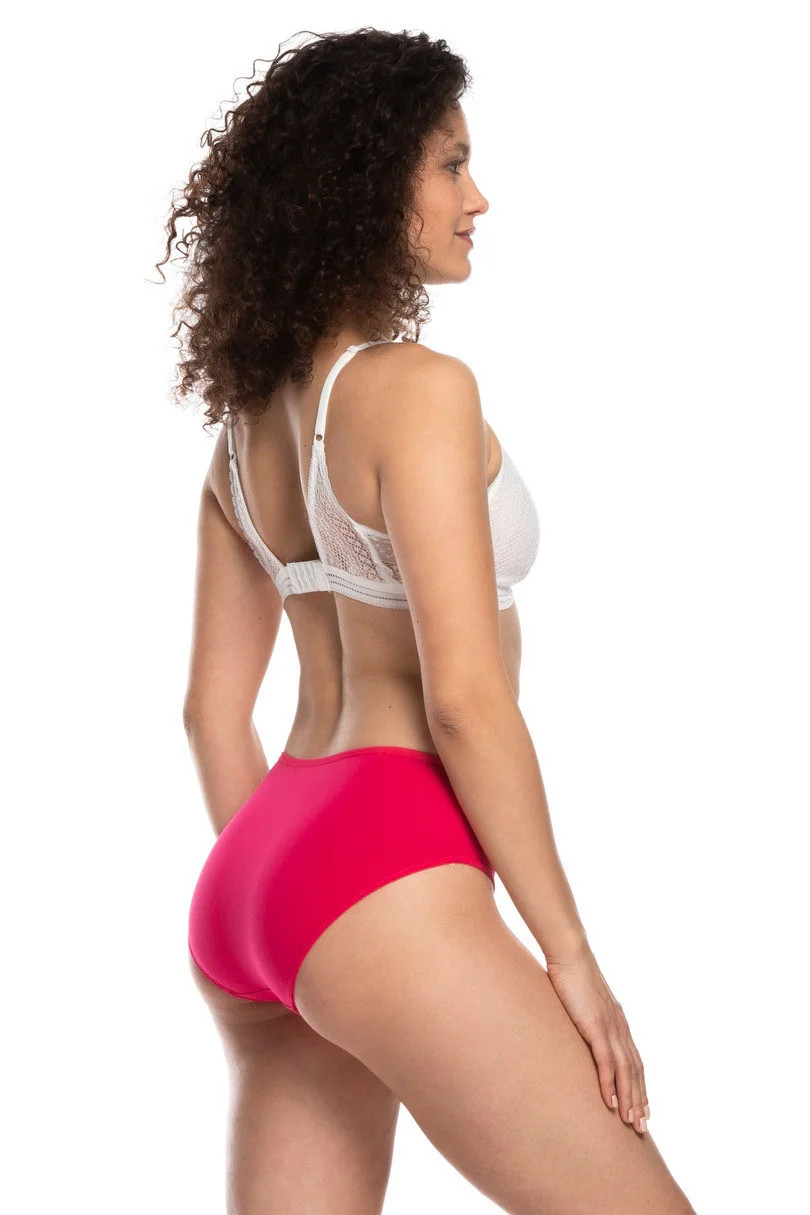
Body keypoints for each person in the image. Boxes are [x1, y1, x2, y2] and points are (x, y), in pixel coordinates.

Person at [162, 28, 697, 1215]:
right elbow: (463, 700)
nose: (478, 198)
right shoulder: (417, 392)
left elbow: (209, 712)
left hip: (256, 871)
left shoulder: (241, 434)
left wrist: (296, 898)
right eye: (451, 164)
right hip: (383, 849)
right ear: (364, 186)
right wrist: (571, 960)